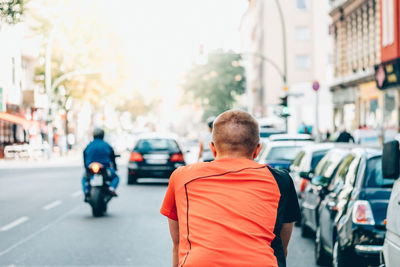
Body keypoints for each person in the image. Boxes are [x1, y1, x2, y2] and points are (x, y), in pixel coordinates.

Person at [160, 109, 300, 267]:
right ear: (257, 150)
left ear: (213, 148)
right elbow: (281, 248)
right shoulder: (281, 181)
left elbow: (178, 244)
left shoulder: (182, 177)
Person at [82, 128, 119, 202]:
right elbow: (112, 157)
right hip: (104, 167)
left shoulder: (89, 145)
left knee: (84, 179)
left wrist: (86, 167)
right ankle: (111, 188)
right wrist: (115, 167)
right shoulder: (107, 145)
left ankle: (86, 191)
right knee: (116, 177)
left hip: (91, 167)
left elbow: (84, 156)